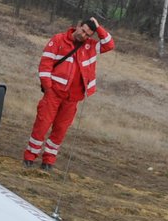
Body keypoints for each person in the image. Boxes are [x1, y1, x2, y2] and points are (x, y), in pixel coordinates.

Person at [23, 16, 113, 170]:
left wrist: (98, 27)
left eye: (87, 34)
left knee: (60, 130)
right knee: (42, 125)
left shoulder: (90, 46)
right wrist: (48, 87)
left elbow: (109, 44)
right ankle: (30, 157)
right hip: (54, 94)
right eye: (83, 31)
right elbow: (45, 64)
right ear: (78, 26)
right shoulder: (58, 40)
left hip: (73, 99)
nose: (83, 35)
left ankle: (48, 161)